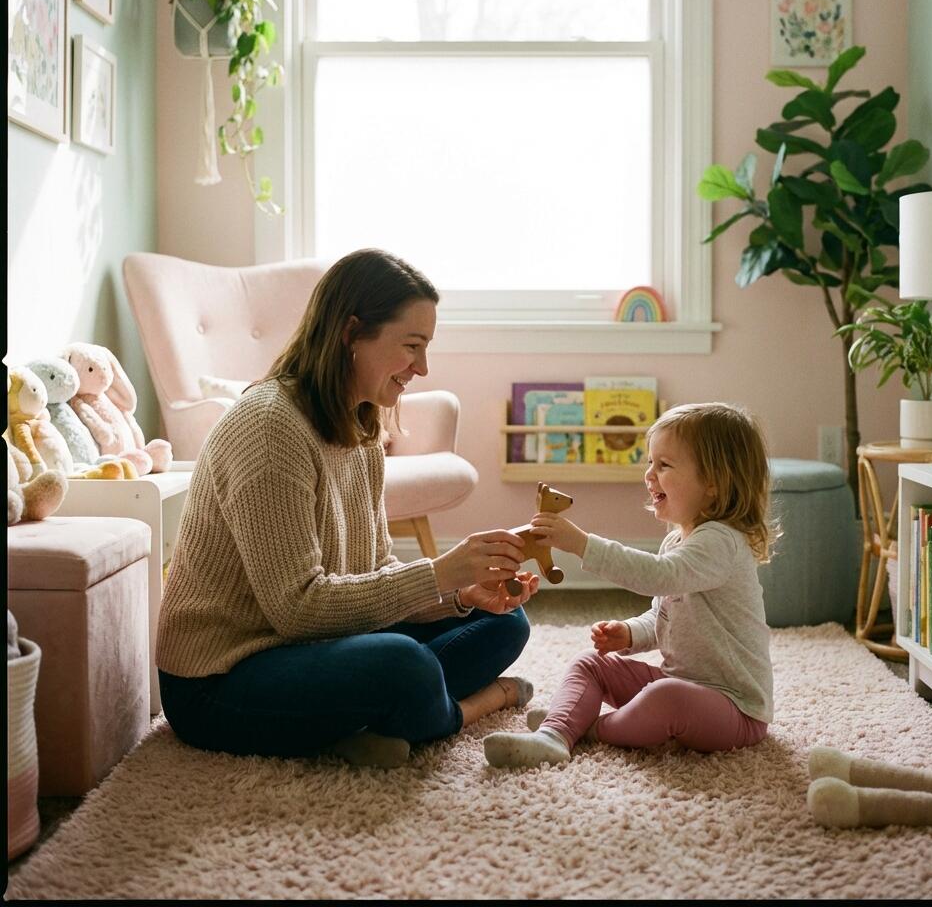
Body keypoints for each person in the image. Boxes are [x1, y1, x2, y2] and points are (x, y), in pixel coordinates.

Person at [156, 248, 540, 768]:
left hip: (319, 642)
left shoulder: (361, 424)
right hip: (220, 678)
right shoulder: (270, 428)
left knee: (505, 622)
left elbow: (375, 571)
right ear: (352, 332)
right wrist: (440, 572)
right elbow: (296, 610)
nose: (422, 367)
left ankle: (366, 721)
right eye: (412, 346)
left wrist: (457, 595)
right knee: (403, 665)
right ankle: (468, 707)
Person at [483, 402, 779, 769]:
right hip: (680, 683)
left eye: (664, 465)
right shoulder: (677, 541)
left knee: (666, 696)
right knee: (592, 664)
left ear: (714, 484)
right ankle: (555, 735)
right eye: (650, 462)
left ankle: (590, 728)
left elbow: (658, 575)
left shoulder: (721, 542)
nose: (649, 474)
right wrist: (630, 633)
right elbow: (663, 615)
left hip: (736, 710)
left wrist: (582, 544)